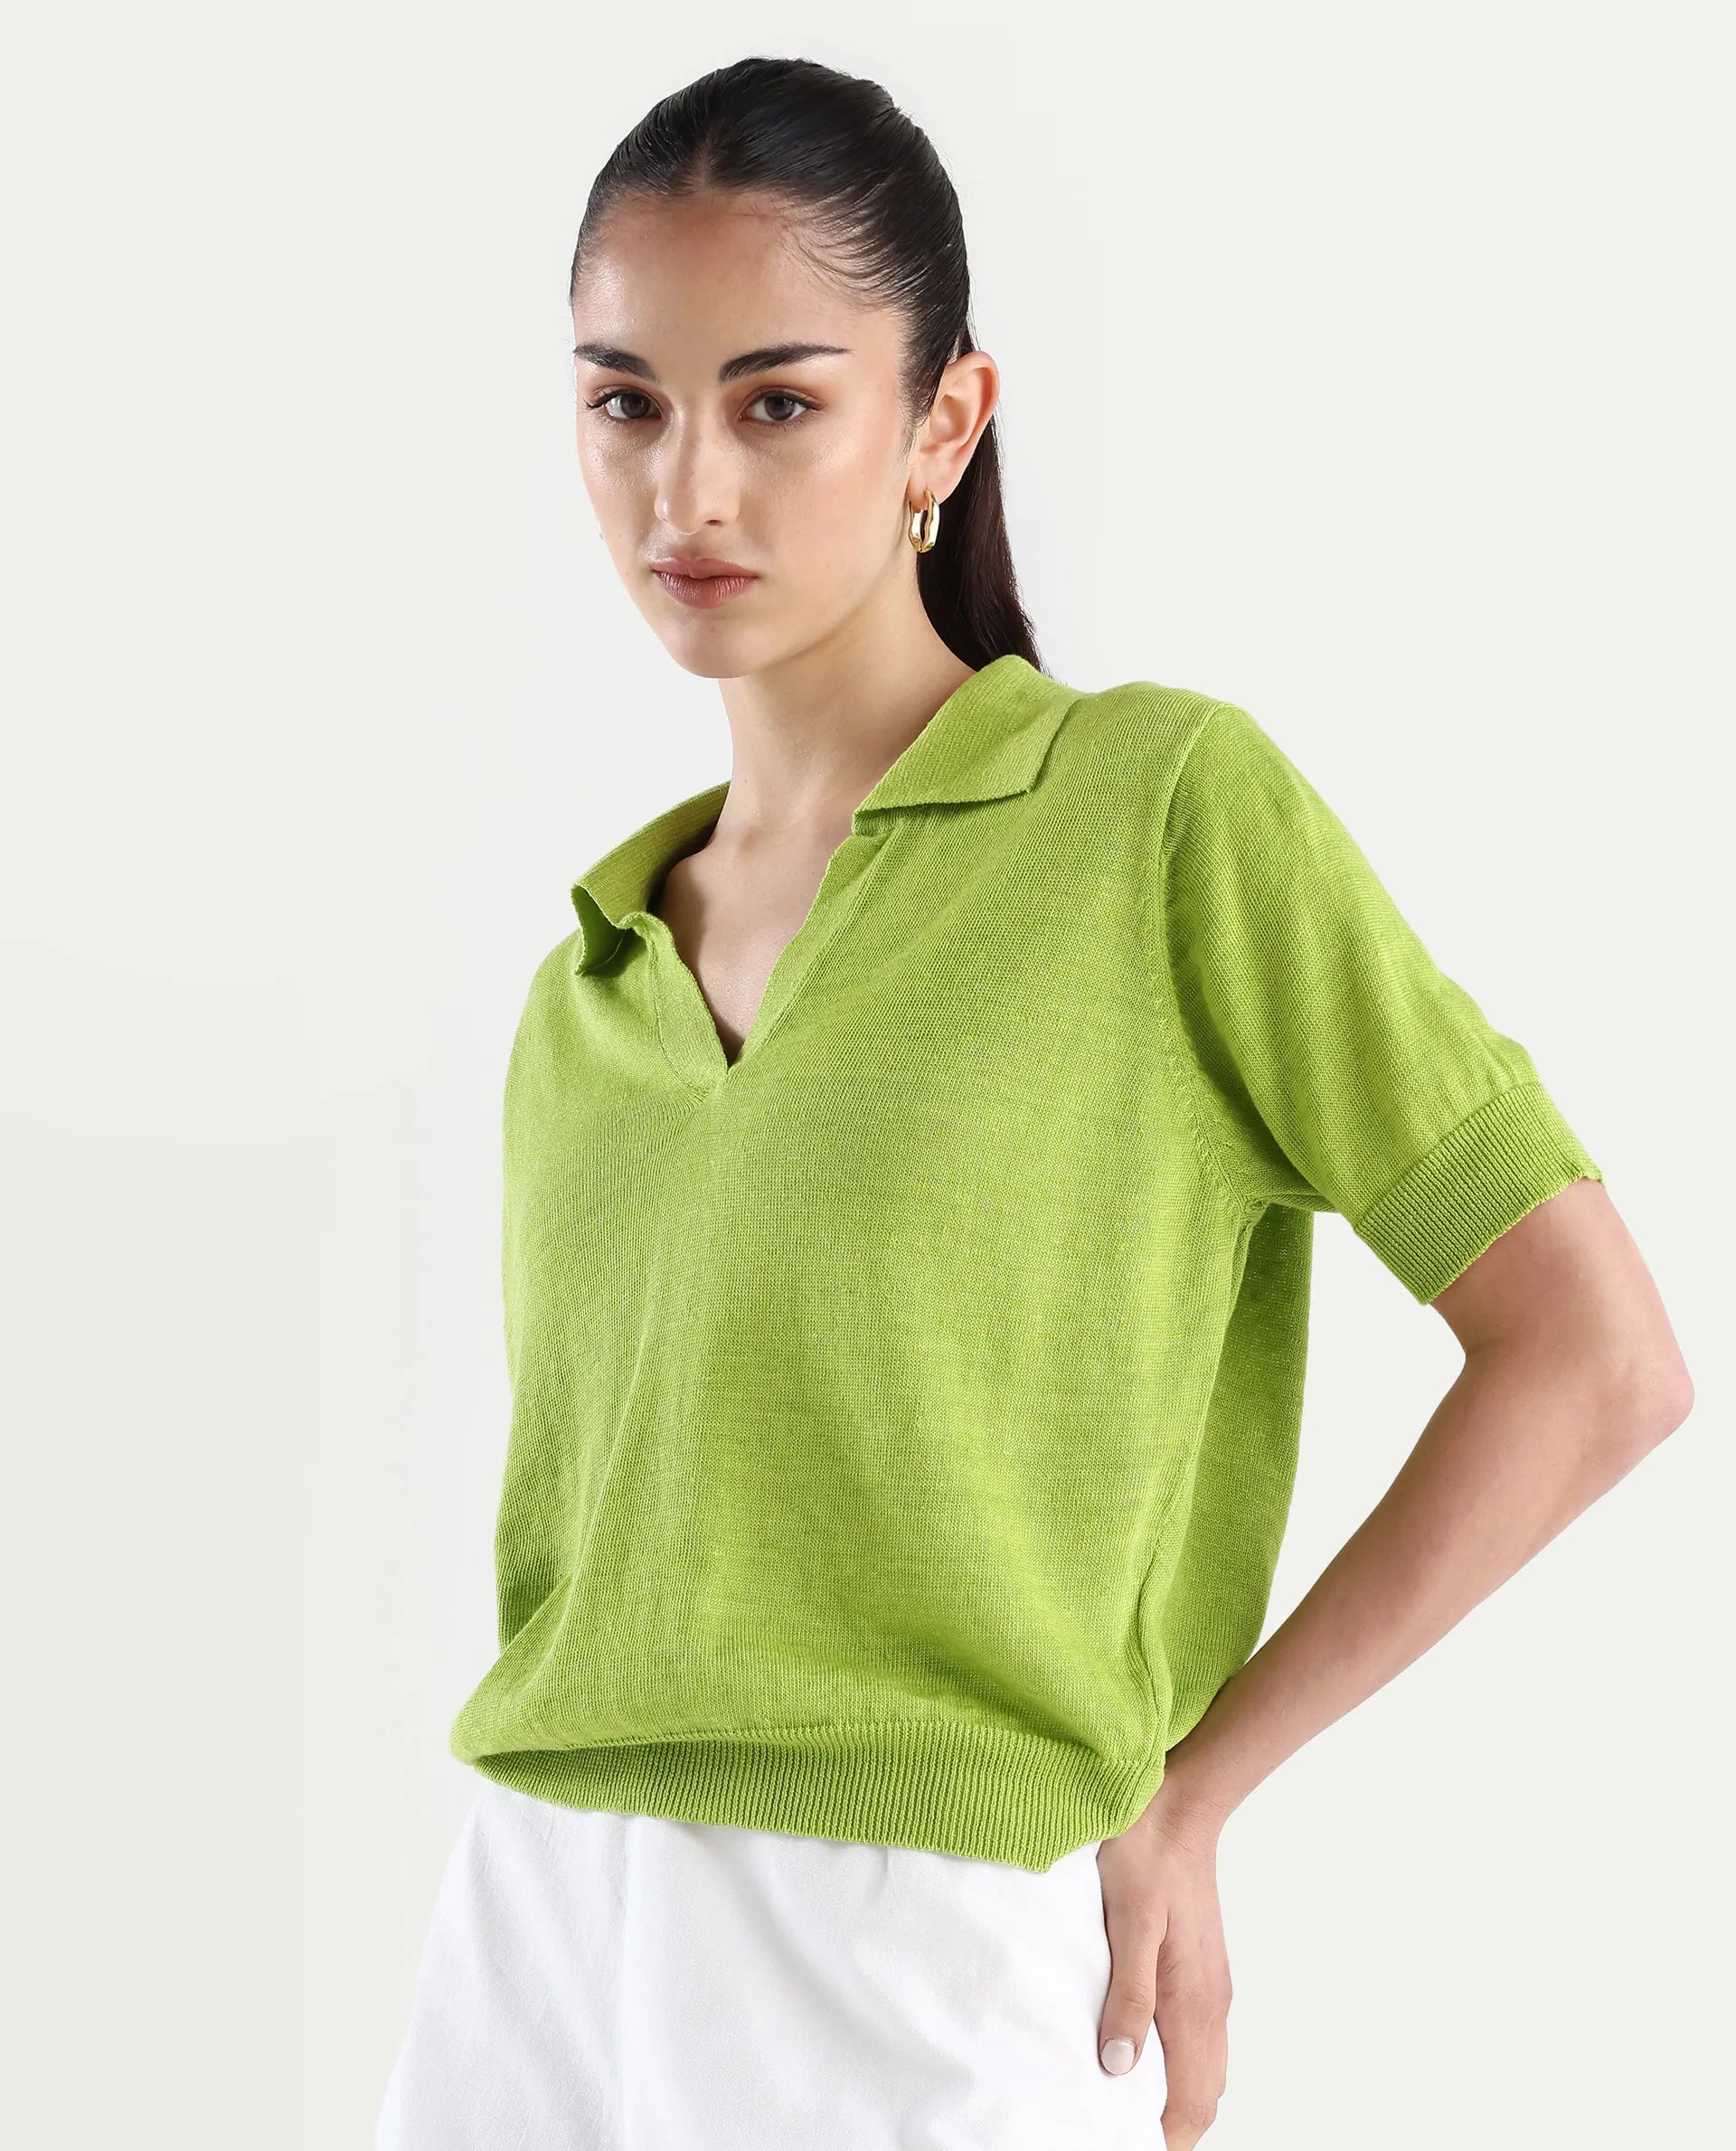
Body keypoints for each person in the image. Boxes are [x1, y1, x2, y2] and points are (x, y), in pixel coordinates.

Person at [374, 54, 1693, 2151]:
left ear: (944, 420)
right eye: (626, 402)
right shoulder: (593, 975)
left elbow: (1596, 1355)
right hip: (529, 1936)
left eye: (775, 404)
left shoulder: (1157, 815)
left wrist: (1199, 1787)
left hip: (929, 1948)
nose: (685, 490)